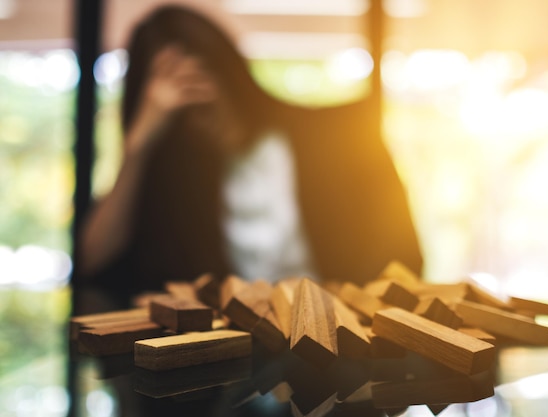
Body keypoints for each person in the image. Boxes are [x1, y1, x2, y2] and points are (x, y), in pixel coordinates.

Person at [73, 4, 423, 311]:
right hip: (237, 372)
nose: (204, 119)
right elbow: (92, 262)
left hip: (344, 359)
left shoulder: (341, 135)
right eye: (183, 111)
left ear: (231, 72)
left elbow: (406, 262)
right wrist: (139, 145)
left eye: (208, 88)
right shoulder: (178, 186)